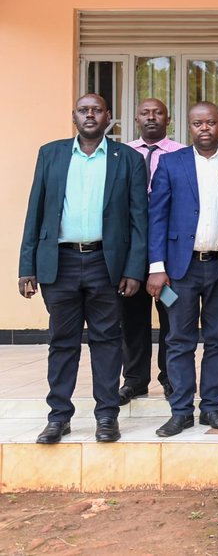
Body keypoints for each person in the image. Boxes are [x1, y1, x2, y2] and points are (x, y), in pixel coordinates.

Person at [20, 94, 147, 444]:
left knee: (107, 342)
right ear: (74, 116)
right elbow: (36, 211)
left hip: (105, 263)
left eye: (97, 110)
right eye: (83, 110)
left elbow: (139, 220)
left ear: (109, 117)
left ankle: (107, 415)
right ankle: (59, 416)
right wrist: (26, 266)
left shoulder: (129, 160)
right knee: (62, 342)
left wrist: (135, 269)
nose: (90, 115)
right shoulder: (51, 154)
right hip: (59, 263)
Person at [146, 102, 218, 437]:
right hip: (180, 270)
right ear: (189, 127)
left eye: (211, 122)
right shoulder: (171, 163)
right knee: (178, 340)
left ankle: (212, 408)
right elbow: (156, 217)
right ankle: (181, 410)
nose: (205, 128)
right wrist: (156, 267)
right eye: (198, 123)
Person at [122, 97, 184, 404]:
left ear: (168, 119)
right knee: (132, 317)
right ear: (136, 120)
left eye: (157, 113)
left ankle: (171, 377)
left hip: (170, 253)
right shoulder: (123, 154)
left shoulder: (182, 154)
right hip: (133, 251)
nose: (151, 117)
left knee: (172, 316)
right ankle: (134, 380)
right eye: (145, 113)